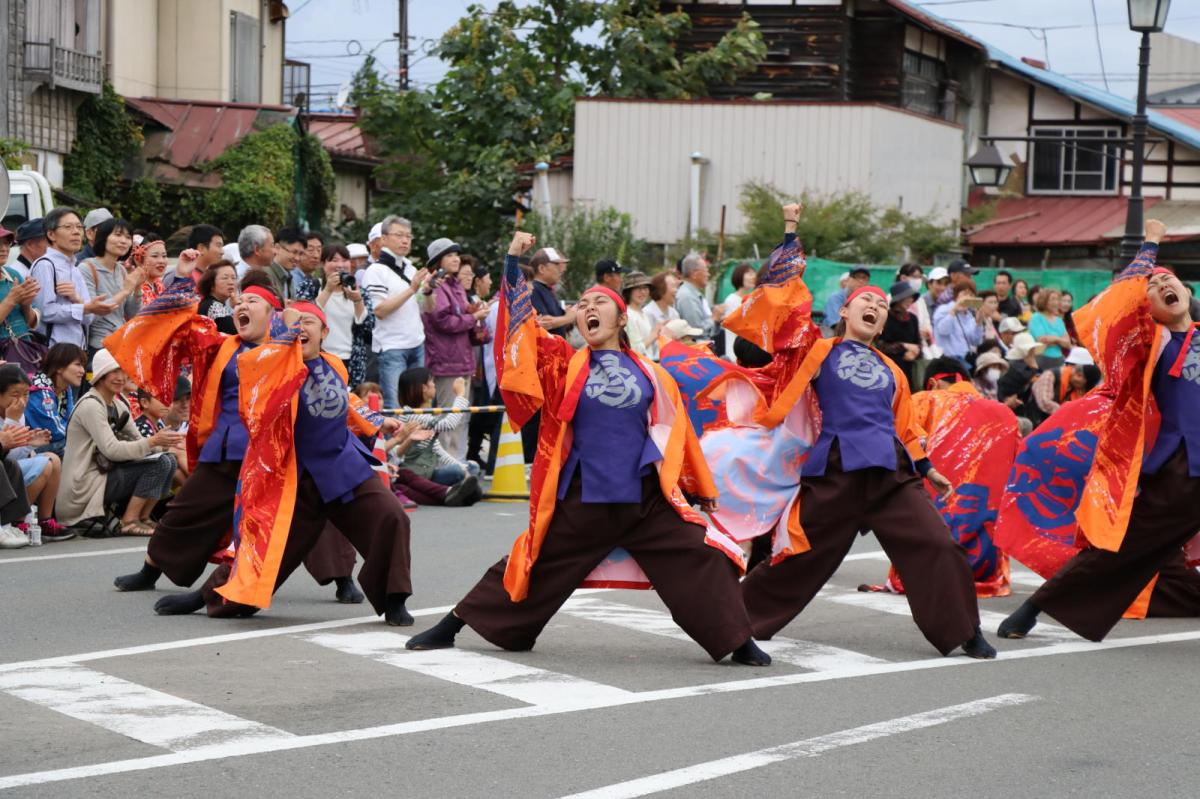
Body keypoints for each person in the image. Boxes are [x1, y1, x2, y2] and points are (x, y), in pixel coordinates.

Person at [405, 228, 770, 667]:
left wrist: (697, 485)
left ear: (621, 320)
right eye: (583, 304)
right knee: (536, 560)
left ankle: (739, 639)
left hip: (645, 497)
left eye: (600, 303)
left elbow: (679, 436)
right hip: (584, 494)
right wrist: (511, 264)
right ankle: (454, 624)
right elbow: (520, 333)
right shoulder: (562, 363)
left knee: (700, 556)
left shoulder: (654, 375)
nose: (589, 308)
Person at [727, 203, 996, 660]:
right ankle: (731, 626)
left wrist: (928, 469)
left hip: (891, 472)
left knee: (937, 542)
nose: (875, 307)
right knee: (800, 555)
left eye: (882, 305)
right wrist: (791, 232)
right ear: (845, 312)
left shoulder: (892, 368)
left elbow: (905, 426)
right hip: (835, 468)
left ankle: (964, 629)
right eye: (866, 301)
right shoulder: (818, 350)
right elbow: (784, 301)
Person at [149, 301, 415, 623]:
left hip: (343, 469)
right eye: (294, 322)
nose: (300, 328)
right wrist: (287, 331)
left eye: (308, 323)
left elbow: (344, 399)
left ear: (325, 332)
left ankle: (394, 600)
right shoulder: (275, 368)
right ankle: (209, 596)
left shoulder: (335, 364)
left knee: (392, 517)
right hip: (294, 480)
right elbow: (260, 371)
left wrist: (375, 420)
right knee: (254, 566)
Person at [998, 220, 1200, 642]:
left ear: (1188, 293)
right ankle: (1035, 606)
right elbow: (1117, 303)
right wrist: (1151, 247)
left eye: (1170, 280)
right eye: (1154, 285)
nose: (1164, 284)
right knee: (1120, 547)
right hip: (1180, 467)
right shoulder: (1149, 345)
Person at [859, 356, 1020, 598]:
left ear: (933, 383)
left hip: (930, 551)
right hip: (987, 566)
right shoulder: (1003, 413)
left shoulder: (923, 401)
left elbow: (898, 444)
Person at [58, 349, 180, 536]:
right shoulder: (91, 405)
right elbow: (112, 451)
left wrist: (163, 444)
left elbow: (140, 442)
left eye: (123, 372)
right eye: (114, 372)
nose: (121, 377)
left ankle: (143, 517)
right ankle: (129, 520)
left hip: (102, 475)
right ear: (100, 375)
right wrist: (152, 442)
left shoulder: (118, 405)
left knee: (168, 459)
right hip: (83, 485)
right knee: (160, 463)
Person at [424, 238, 489, 459]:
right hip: (446, 361)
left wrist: (472, 311)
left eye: (456, 255)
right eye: (450, 255)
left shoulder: (456, 285)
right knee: (448, 419)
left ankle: (455, 466)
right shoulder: (438, 285)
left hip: (462, 359)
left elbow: (459, 315)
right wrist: (474, 317)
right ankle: (444, 470)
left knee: (459, 418)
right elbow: (441, 321)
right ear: (437, 261)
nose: (455, 259)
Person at [360, 215, 431, 409]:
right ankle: (395, 441)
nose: (405, 240)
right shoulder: (375, 271)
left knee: (418, 405)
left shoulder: (410, 268)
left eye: (408, 236)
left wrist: (429, 291)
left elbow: (426, 308)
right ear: (383, 239)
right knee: (394, 406)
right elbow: (380, 310)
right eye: (399, 235)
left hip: (417, 342)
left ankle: (416, 440)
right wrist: (412, 289)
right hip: (392, 347)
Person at [0, 364, 69, 541]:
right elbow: (6, 459)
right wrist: (12, 423)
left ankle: (45, 520)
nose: (21, 401)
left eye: (25, 394)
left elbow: (12, 457)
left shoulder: (18, 414)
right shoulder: (14, 414)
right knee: (44, 464)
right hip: (6, 471)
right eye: (14, 395)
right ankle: (16, 520)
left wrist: (30, 444)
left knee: (52, 459)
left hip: (8, 469)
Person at [30, 208, 112, 348]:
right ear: (51, 234)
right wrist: (84, 307)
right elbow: (44, 312)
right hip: (53, 350)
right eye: (68, 227)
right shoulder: (45, 265)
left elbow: (88, 318)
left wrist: (79, 301)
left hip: (77, 348)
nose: (76, 232)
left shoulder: (74, 269)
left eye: (79, 227)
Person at [393, 368, 479, 487]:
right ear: (424, 388)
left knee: (472, 467)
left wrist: (463, 468)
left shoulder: (423, 414)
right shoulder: (411, 415)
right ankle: (460, 486)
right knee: (457, 472)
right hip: (416, 473)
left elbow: (438, 451)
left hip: (427, 471)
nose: (435, 385)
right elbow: (448, 424)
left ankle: (462, 484)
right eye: (432, 381)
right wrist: (460, 395)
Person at [79, 218, 145, 354]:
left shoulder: (120, 270)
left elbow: (132, 313)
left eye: (128, 237)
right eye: (117, 234)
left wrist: (137, 288)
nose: (123, 241)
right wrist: (126, 290)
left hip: (121, 340)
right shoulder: (86, 268)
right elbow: (93, 313)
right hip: (99, 345)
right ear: (103, 237)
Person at [314, 244, 374, 388]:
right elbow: (308, 315)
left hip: (352, 360)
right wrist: (328, 290)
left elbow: (367, 325)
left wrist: (358, 300)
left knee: (351, 404)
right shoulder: (312, 286)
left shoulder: (359, 291)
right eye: (334, 260)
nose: (340, 265)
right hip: (321, 358)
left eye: (344, 260)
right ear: (323, 264)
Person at [25, 343, 86, 456]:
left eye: (83, 365)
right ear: (59, 368)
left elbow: (72, 418)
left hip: (53, 443)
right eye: (77, 364)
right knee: (80, 445)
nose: (82, 370)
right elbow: (52, 430)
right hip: (27, 448)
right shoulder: (41, 388)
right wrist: (83, 433)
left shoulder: (65, 388)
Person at [0, 246, 43, 368]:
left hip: (23, 352)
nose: (4, 249)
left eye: (6, 243)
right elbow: (11, 301)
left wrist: (26, 304)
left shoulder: (12, 275)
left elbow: (31, 323)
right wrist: (11, 300)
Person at [1030, 346, 1100, 416]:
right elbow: (1044, 402)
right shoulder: (1050, 375)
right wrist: (1067, 414)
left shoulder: (1075, 386)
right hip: (1038, 419)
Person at [877, 280, 922, 391]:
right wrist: (904, 346)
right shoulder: (886, 317)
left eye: (911, 297)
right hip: (890, 369)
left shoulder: (913, 319)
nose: (910, 300)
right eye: (907, 297)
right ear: (898, 299)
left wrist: (915, 352)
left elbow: (918, 344)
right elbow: (880, 346)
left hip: (910, 369)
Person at [997, 332, 1047, 427]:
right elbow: (1033, 378)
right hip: (1012, 409)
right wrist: (1034, 366)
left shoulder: (1026, 365)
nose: (1032, 353)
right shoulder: (1016, 366)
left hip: (1026, 408)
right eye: (1030, 350)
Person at [932, 284, 984, 367]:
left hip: (965, 360)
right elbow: (943, 331)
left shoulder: (969, 315)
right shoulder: (943, 309)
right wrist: (953, 311)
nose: (968, 297)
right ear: (956, 295)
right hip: (947, 360)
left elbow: (975, 341)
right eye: (964, 294)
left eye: (971, 295)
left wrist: (979, 323)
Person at [528, 247, 574, 337]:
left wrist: (565, 316)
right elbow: (544, 322)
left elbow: (553, 320)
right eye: (557, 264)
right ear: (542, 268)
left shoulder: (546, 289)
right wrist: (569, 317)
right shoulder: (533, 289)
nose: (561, 269)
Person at [675, 253, 719, 339]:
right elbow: (695, 330)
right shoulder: (687, 296)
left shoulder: (693, 293)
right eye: (706, 270)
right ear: (694, 274)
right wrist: (714, 319)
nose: (708, 274)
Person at [1028, 288, 1070, 369]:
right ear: (1044, 301)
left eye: (1058, 299)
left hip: (1059, 359)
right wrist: (1060, 340)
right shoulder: (1036, 317)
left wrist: (1054, 339)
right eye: (1052, 299)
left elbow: (1067, 343)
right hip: (1041, 359)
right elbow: (1042, 339)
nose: (1056, 302)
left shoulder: (1059, 320)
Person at [196, 260, 239, 335]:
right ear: (211, 284)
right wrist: (238, 307)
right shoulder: (215, 306)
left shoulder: (206, 303)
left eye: (233, 278)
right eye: (225, 278)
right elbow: (236, 333)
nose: (231, 282)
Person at [621, 271, 655, 359]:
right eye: (638, 289)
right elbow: (635, 350)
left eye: (645, 288)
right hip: (639, 366)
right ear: (629, 292)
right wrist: (654, 334)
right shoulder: (628, 315)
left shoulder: (643, 313)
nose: (643, 292)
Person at [267, 227, 305, 303]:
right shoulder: (264, 275)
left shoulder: (288, 276)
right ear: (277, 248)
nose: (297, 258)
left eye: (301, 254)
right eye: (294, 252)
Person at [132, 238, 169, 306]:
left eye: (164, 256)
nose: (161, 261)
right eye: (154, 256)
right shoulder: (133, 286)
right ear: (140, 259)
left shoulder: (158, 283)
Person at [295, 231, 324, 297]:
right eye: (310, 250)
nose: (316, 256)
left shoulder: (313, 280)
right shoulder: (290, 278)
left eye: (319, 251)